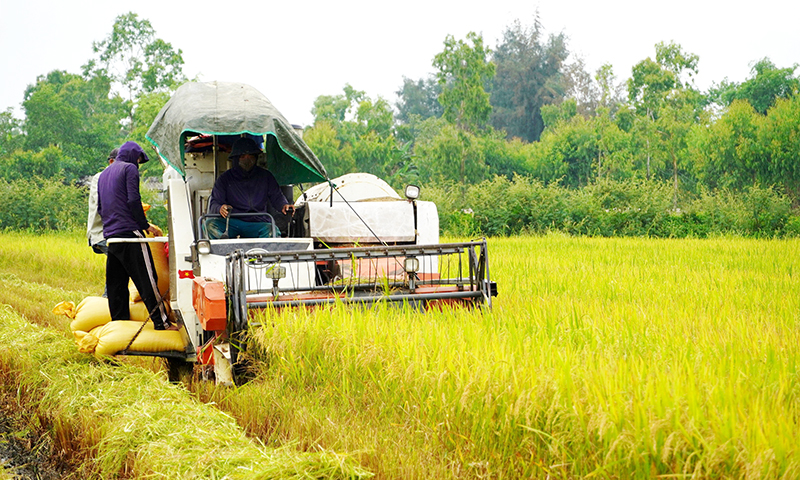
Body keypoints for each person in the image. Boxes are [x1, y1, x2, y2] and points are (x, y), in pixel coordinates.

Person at [97, 141, 176, 331]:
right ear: (134, 156)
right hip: (130, 234)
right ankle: (162, 322)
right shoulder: (129, 169)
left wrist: (111, 227)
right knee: (147, 279)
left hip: (112, 236)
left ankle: (119, 323)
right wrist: (144, 225)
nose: (138, 165)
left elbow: (101, 207)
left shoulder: (104, 174)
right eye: (139, 160)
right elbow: (133, 199)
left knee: (116, 284)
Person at [206, 137, 294, 239]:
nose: (247, 160)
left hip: (258, 222)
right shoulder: (224, 179)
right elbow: (214, 203)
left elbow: (277, 196)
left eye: (251, 156)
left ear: (256, 157)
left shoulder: (265, 176)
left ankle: (263, 254)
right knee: (210, 225)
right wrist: (220, 208)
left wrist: (284, 205)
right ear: (236, 158)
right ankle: (224, 252)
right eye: (243, 156)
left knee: (272, 230)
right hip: (232, 222)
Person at [87, 148, 117, 297]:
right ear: (111, 162)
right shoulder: (100, 178)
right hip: (102, 233)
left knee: (118, 263)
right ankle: (108, 298)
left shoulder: (119, 179)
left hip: (114, 232)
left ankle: (109, 298)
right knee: (121, 259)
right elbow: (103, 204)